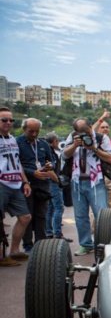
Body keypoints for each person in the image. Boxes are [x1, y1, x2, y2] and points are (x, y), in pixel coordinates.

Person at [63, 117, 111, 256]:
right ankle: (85, 244)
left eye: (86, 131)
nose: (85, 135)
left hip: (96, 181)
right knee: (80, 216)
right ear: (76, 132)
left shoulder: (101, 138)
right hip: (77, 181)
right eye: (81, 132)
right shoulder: (72, 137)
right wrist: (74, 145)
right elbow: (64, 155)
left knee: (101, 214)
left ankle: (103, 244)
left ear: (91, 126)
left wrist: (94, 148)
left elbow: (110, 158)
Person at [17, 118, 57, 254]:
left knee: (41, 215)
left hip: (43, 184)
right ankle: (27, 245)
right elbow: (16, 165)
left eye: (37, 131)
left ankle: (40, 243)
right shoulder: (17, 143)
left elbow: (52, 160)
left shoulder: (43, 144)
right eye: (31, 131)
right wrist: (32, 173)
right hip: (25, 184)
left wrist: (50, 165)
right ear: (24, 129)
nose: (34, 134)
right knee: (27, 215)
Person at [0, 107, 32, 265]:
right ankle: (1, 257)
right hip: (1, 183)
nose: (8, 123)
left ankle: (14, 250)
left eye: (11, 120)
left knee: (25, 217)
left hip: (15, 183)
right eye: (4, 120)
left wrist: (25, 181)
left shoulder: (12, 139)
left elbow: (17, 162)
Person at [44, 132, 72, 243]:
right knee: (59, 207)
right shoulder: (50, 153)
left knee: (50, 208)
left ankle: (49, 232)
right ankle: (57, 233)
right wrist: (58, 181)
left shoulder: (49, 151)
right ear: (54, 141)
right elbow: (49, 170)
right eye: (57, 141)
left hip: (50, 182)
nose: (58, 143)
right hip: (53, 183)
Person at [93, 111, 111, 209]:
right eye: (102, 127)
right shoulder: (93, 141)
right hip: (98, 175)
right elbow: (91, 130)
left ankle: (109, 223)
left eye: (107, 127)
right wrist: (102, 118)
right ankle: (96, 224)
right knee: (98, 205)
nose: (105, 129)